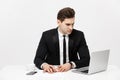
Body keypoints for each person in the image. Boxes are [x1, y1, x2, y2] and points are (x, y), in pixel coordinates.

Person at [34, 7, 90, 73]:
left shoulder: (79, 35)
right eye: (67, 24)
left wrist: (71, 65)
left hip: (72, 73)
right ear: (59, 22)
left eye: (73, 24)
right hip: (53, 72)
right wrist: (45, 65)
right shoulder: (47, 35)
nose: (71, 28)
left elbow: (86, 59)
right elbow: (38, 59)